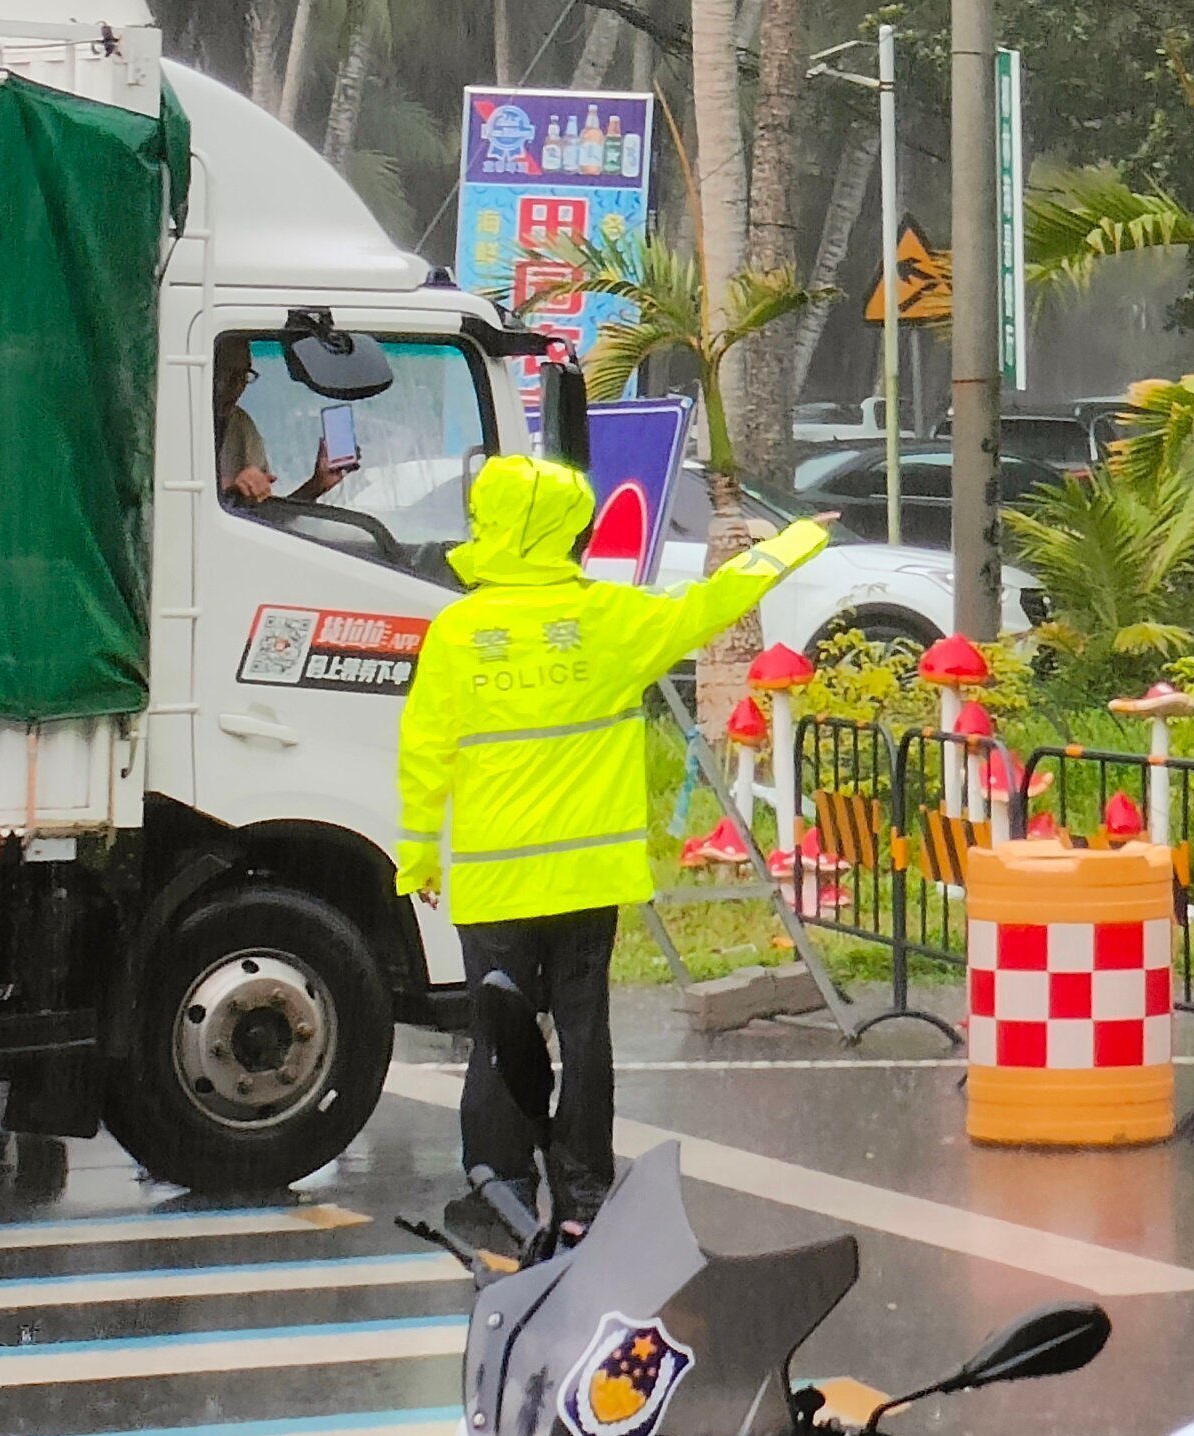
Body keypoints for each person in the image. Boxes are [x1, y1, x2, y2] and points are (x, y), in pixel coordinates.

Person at [397, 454, 828, 1252]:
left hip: (495, 880)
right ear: (568, 532)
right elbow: (714, 601)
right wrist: (794, 541)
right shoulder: (612, 621)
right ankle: (584, 1190)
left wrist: (418, 852)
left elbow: (425, 750)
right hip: (589, 876)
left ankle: (498, 1187)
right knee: (583, 1032)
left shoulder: (458, 631)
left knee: (500, 1036)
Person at [214, 338, 358, 511]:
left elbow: (267, 519)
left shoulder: (241, 426)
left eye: (243, 375)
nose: (237, 386)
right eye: (227, 375)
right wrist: (230, 493)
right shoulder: (184, 424)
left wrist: (318, 484)